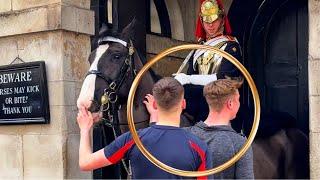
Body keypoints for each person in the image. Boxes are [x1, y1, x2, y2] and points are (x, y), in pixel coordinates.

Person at [77, 77, 212, 179]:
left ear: (155, 105)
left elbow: (85, 163)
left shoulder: (133, 139)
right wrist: (154, 117)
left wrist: (84, 129)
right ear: (183, 104)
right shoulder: (198, 147)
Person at [144, 78, 254, 179]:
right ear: (230, 104)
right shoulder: (239, 144)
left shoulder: (183, 134)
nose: (239, 104)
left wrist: (154, 117)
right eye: (238, 100)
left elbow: (158, 141)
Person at [174, 0, 244, 130]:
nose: (210, 25)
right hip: (199, 99)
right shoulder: (198, 48)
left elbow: (224, 77)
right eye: (206, 21)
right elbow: (191, 73)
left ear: (222, 20)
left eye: (214, 20)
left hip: (220, 98)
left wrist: (188, 79)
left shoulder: (230, 46)